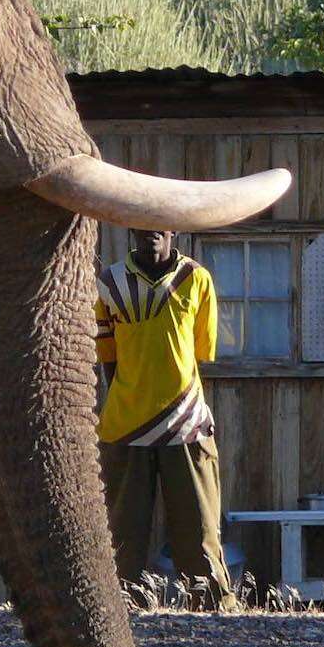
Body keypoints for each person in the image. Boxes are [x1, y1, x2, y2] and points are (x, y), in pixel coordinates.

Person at [94, 228, 237, 611]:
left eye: (160, 221)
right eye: (142, 221)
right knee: (119, 537)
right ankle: (116, 613)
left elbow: (201, 352)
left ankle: (214, 616)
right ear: (129, 228)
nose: (151, 231)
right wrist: (129, 401)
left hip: (187, 423)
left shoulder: (196, 278)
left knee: (201, 533)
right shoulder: (108, 283)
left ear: (174, 228)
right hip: (125, 428)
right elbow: (108, 358)